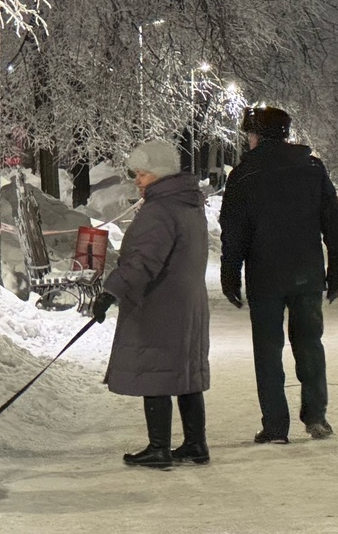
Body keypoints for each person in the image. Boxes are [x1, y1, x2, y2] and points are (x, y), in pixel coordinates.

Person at [219, 105, 338, 444]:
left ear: (255, 136)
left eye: (249, 134)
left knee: (267, 350)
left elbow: (233, 234)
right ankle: (317, 416)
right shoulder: (312, 168)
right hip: (306, 273)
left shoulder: (243, 175)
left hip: (265, 277)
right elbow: (334, 225)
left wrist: (230, 275)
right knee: (309, 344)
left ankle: (276, 426)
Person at [89, 139, 211, 469]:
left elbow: (142, 262)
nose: (137, 181)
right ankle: (195, 444)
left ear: (158, 174)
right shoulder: (188, 204)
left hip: (160, 304)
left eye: (142, 174)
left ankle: (159, 448)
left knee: (156, 371)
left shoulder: (160, 211)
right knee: (184, 374)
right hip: (187, 301)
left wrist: (110, 292)